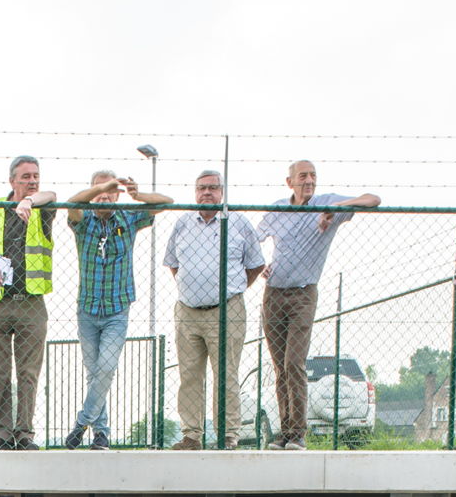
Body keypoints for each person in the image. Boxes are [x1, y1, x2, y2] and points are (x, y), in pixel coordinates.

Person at [258, 160, 381, 449]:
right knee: (280, 368)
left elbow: (373, 200)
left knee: (294, 362)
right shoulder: (278, 210)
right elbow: (253, 240)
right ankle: (285, 432)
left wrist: (335, 209)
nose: (309, 181)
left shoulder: (327, 203)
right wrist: (260, 264)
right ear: (290, 182)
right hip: (273, 294)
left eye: (313, 176)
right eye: (303, 176)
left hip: (303, 295)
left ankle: (298, 433)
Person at [63, 170, 172, 449]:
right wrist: (101, 187)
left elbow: (165, 201)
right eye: (99, 189)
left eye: (110, 191)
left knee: (106, 368)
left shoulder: (127, 217)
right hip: (87, 308)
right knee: (94, 373)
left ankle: (81, 424)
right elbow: (72, 205)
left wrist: (136, 195)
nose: (105, 195)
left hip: (117, 309)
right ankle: (101, 434)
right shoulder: (83, 220)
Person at [163, 170, 265, 449]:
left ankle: (228, 434)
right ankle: (191, 435)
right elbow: (173, 263)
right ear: (195, 192)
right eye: (201, 188)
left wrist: (232, 289)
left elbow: (256, 265)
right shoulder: (183, 224)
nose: (206, 193)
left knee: (226, 374)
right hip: (187, 311)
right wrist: (192, 287)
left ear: (222, 192)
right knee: (189, 375)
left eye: (212, 188)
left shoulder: (237, 223)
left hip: (226, 310)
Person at [0, 155, 59, 449]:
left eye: (35, 175)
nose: (32, 181)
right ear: (12, 180)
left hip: (31, 303)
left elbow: (52, 195)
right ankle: (1, 432)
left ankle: (24, 433)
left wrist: (30, 201)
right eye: (25, 177)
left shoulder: (44, 207)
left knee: (28, 372)